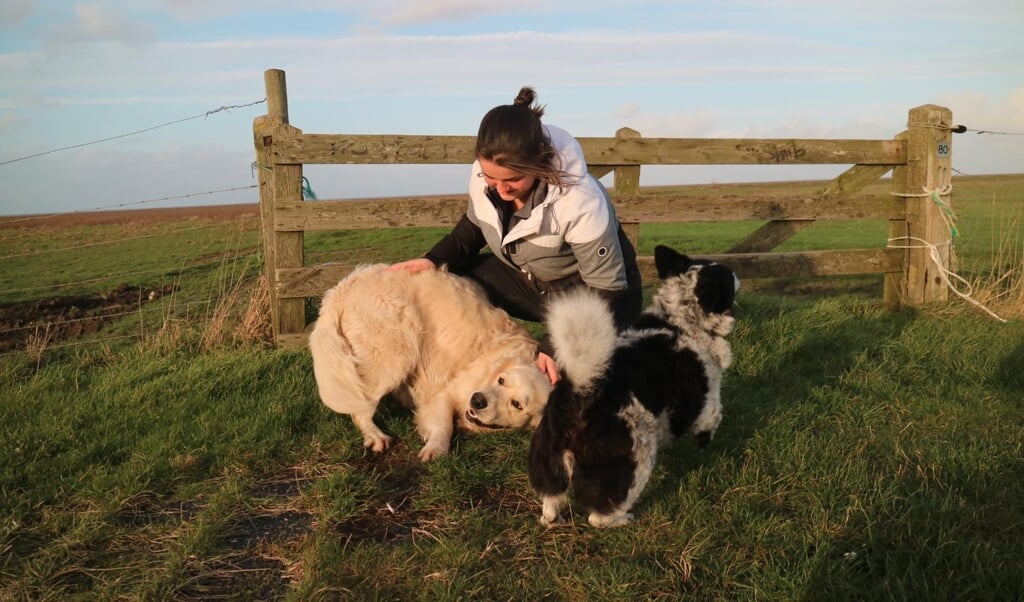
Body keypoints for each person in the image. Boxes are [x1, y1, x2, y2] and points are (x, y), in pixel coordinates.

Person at [388, 87, 642, 384]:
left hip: (594, 296)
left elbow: (606, 289)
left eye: (513, 180)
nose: (501, 189)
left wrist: (553, 345)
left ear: (540, 162)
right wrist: (432, 260)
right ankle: (461, 358)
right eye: (490, 177)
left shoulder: (580, 201)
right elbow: (472, 229)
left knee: (579, 381)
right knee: (453, 282)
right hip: (530, 282)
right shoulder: (485, 176)